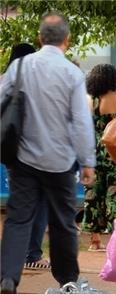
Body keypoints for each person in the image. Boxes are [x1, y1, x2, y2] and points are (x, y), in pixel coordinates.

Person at [0, 12, 96, 293]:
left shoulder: (19, 68)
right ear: (66, 40)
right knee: (63, 222)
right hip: (60, 162)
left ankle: (8, 277)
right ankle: (66, 278)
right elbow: (80, 121)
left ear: (40, 38)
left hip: (23, 160)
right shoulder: (72, 73)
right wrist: (87, 161)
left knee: (19, 217)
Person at [4, 43, 51, 271]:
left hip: (10, 153)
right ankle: (33, 253)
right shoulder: (37, 82)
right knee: (40, 203)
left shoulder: (4, 80)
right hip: (36, 153)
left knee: (19, 208)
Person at [82, 64, 116, 252]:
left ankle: (94, 241)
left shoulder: (87, 100)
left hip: (93, 155)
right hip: (115, 156)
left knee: (93, 197)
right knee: (115, 197)